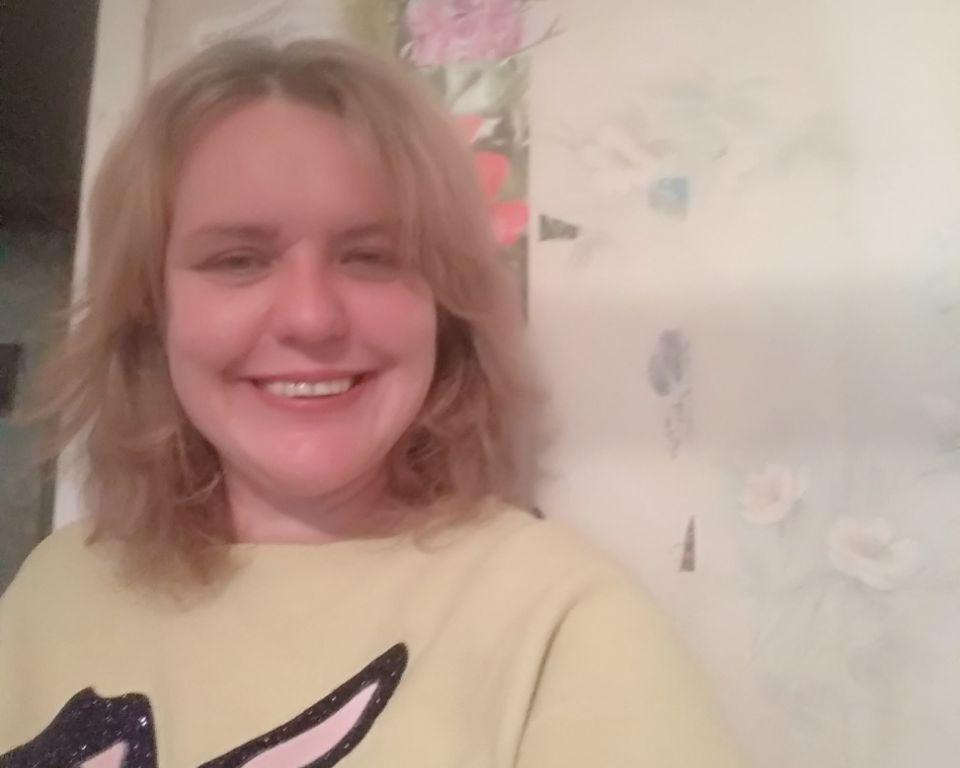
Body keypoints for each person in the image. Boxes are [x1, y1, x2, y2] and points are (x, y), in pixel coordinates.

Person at [0, 38, 743, 767]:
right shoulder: (54, 589)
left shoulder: (560, 621)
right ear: (151, 308)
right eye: (238, 259)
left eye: (370, 256)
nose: (312, 318)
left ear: (444, 310)